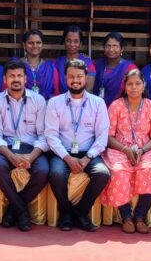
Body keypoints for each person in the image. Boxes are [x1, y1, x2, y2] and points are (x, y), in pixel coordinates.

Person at [44, 59, 111, 231]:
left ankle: (80, 213)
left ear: (86, 78)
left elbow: (102, 137)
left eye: (79, 76)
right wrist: (67, 158)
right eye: (71, 76)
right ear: (65, 78)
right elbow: (51, 135)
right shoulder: (54, 103)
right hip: (63, 153)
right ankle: (66, 212)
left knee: (102, 174)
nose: (75, 80)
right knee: (56, 174)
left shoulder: (98, 103)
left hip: (89, 153)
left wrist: (87, 158)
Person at [0, 60, 49, 232]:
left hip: (32, 148)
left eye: (19, 76)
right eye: (11, 76)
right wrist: (11, 156)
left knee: (43, 170)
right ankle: (21, 211)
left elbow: (44, 135)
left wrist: (31, 157)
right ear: (5, 79)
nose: (16, 79)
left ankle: (13, 211)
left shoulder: (38, 101)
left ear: (25, 79)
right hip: (6, 148)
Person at [102, 68, 151, 233]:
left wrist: (142, 150)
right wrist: (125, 149)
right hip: (119, 148)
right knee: (118, 171)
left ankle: (140, 216)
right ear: (125, 86)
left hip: (147, 149)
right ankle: (126, 217)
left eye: (137, 83)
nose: (134, 87)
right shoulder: (116, 106)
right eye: (130, 84)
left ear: (144, 85)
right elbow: (108, 136)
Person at [93, 31, 138, 106]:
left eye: (115, 46)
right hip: (97, 107)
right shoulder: (98, 64)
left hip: (119, 108)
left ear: (121, 49)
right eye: (108, 46)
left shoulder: (129, 68)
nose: (111, 49)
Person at [54, 24, 96, 94]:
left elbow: (89, 90)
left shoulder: (88, 63)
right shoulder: (58, 62)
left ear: (80, 44)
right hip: (61, 99)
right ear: (64, 42)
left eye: (76, 41)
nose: (72, 44)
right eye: (68, 41)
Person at [17, 28, 57, 99]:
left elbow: (56, 92)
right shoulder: (16, 65)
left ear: (42, 45)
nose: (35, 46)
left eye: (38, 42)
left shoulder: (50, 66)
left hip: (46, 104)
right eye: (30, 43)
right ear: (24, 45)